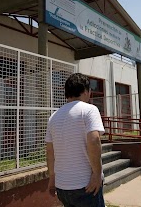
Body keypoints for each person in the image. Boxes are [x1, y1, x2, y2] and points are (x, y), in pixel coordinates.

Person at [45, 73, 105, 207]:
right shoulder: (89, 110)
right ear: (86, 91)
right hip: (85, 186)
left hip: (62, 187)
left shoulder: (53, 117)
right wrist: (97, 174)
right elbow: (94, 140)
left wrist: (52, 178)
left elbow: (50, 151)